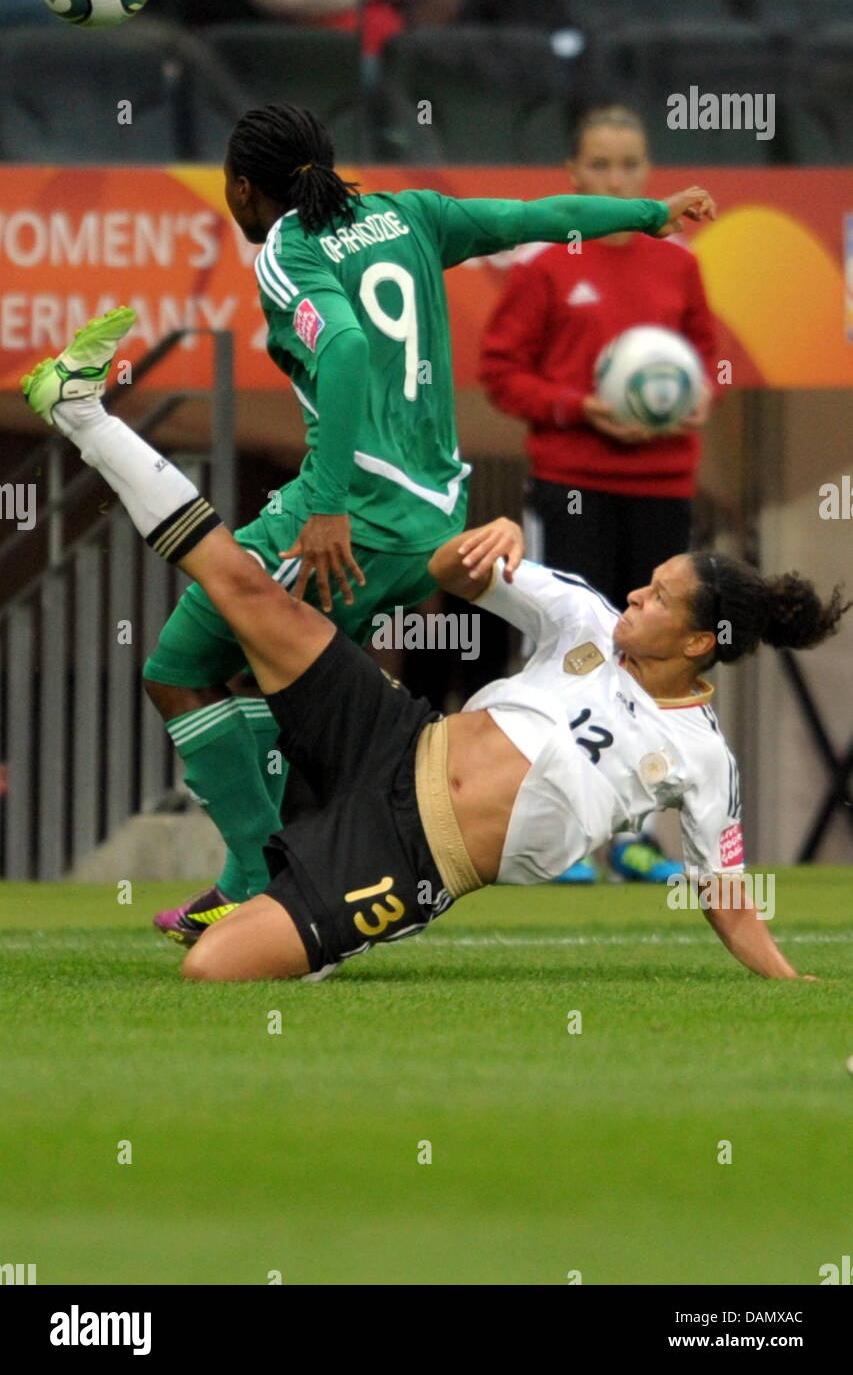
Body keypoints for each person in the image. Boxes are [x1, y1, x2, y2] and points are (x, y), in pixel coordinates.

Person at [22, 313, 848, 982]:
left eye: (659, 596)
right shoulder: (584, 617)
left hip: (413, 856)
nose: (636, 593)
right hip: (392, 734)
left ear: (702, 641)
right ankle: (80, 411)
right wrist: (482, 539)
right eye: (648, 581)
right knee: (243, 588)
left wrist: (786, 980)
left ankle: (290, 895)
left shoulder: (704, 761)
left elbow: (726, 897)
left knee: (212, 969)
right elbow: (451, 572)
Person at [134, 102, 716, 935]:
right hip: (436, 523)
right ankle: (281, 871)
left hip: (355, 516)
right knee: (272, 680)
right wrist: (650, 215)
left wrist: (327, 503)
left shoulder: (286, 254)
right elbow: (539, 218)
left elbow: (339, 350)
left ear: (241, 187)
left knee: (177, 666)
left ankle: (267, 875)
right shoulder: (407, 213)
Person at [480, 103, 717, 885]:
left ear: (644, 173)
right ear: (573, 177)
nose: (618, 178)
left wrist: (694, 400)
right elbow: (499, 374)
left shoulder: (678, 265)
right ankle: (560, 840)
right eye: (601, 166)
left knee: (656, 664)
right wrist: (578, 407)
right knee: (573, 652)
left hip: (661, 487)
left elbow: (709, 361)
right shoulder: (546, 266)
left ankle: (634, 837)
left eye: (630, 165)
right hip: (572, 485)